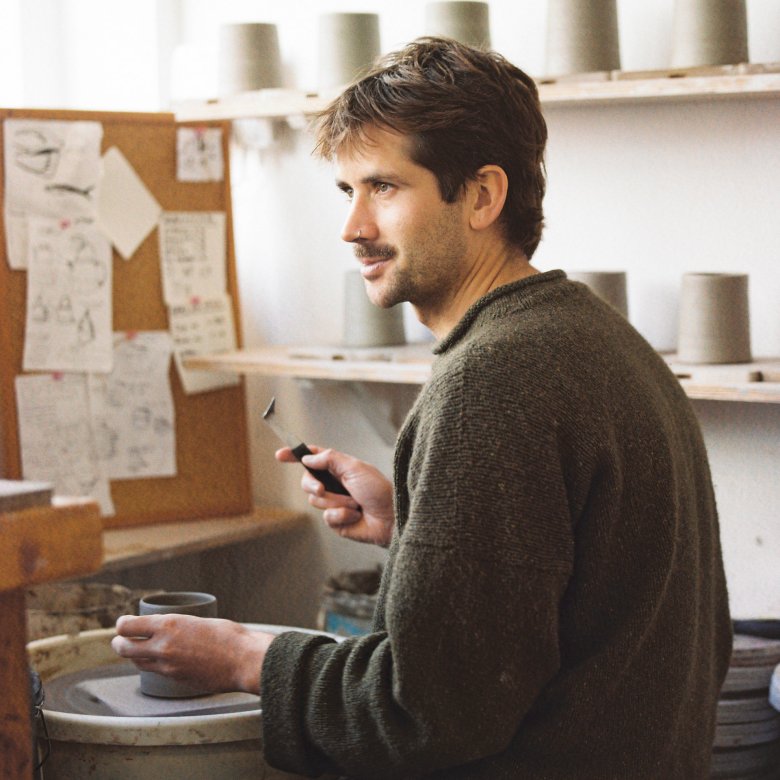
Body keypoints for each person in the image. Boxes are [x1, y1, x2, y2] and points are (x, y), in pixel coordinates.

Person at [112, 37, 732, 778]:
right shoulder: (598, 339)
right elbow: (582, 595)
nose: (353, 227)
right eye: (347, 191)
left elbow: (426, 711)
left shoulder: (495, 380)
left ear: (482, 196)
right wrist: (416, 527)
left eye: (384, 187)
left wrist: (247, 656)